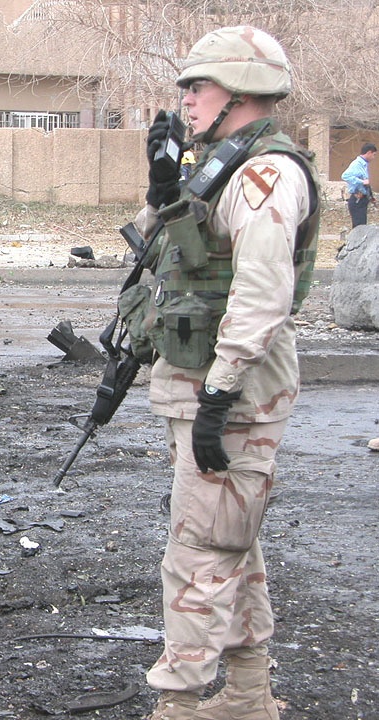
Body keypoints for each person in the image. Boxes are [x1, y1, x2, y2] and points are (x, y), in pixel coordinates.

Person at [130, 26, 320, 719]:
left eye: (195, 86)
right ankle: (245, 696)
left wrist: (218, 393)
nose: (183, 98)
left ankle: (178, 706)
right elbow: (163, 247)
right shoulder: (217, 164)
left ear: (238, 92)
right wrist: (160, 184)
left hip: (234, 394)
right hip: (207, 386)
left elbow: (260, 298)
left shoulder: (265, 176)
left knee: (200, 555)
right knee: (229, 543)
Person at [341, 143, 377, 228]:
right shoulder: (357, 164)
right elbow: (345, 176)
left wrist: (370, 196)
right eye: (374, 155)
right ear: (369, 152)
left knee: (361, 226)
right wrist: (361, 182)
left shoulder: (364, 165)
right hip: (357, 199)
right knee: (359, 228)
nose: (374, 158)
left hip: (362, 199)